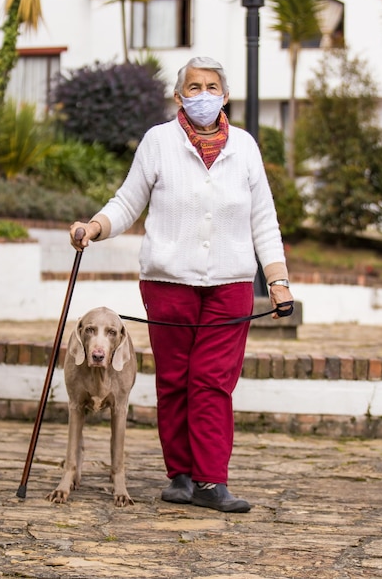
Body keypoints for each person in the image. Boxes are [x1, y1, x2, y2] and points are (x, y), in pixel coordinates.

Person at [70, 56, 293, 513]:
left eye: (212, 86)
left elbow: (263, 219)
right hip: (168, 282)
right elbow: (128, 200)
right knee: (174, 379)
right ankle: (181, 476)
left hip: (230, 284)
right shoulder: (158, 142)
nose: (204, 95)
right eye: (194, 87)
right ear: (179, 96)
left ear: (225, 95)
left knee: (212, 380)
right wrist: (94, 227)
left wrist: (277, 280)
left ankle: (212, 481)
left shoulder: (246, 147)